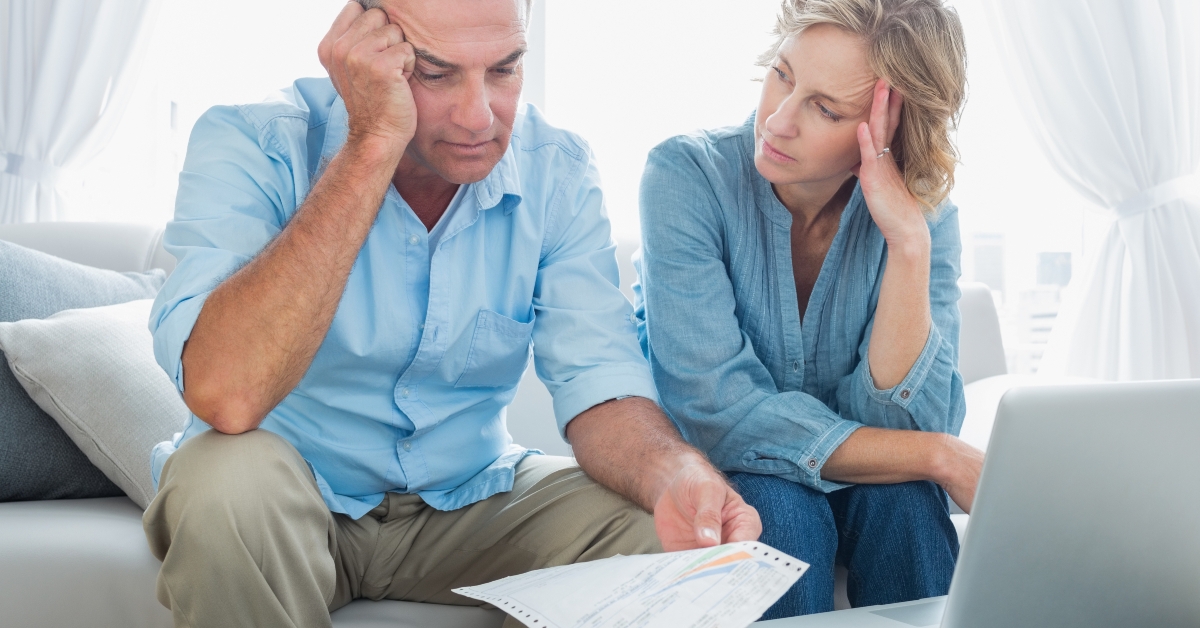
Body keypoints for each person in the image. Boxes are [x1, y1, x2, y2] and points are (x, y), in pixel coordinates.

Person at [141, 1, 760, 626]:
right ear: (359, 49)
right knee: (218, 484)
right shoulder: (253, 141)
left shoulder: (558, 169)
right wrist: (370, 145)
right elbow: (226, 396)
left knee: (669, 537)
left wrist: (674, 472)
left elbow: (600, 383)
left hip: (472, 498)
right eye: (434, 74)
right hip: (290, 500)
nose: (478, 116)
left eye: (504, 69)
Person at [633, 0, 983, 619]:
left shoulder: (924, 221)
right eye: (783, 74)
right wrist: (939, 455)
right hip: (724, 481)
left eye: (825, 108)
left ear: (895, 128)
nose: (777, 120)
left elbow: (912, 421)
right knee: (781, 509)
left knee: (906, 503)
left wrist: (906, 245)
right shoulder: (687, 174)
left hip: (874, 492)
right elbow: (720, 413)